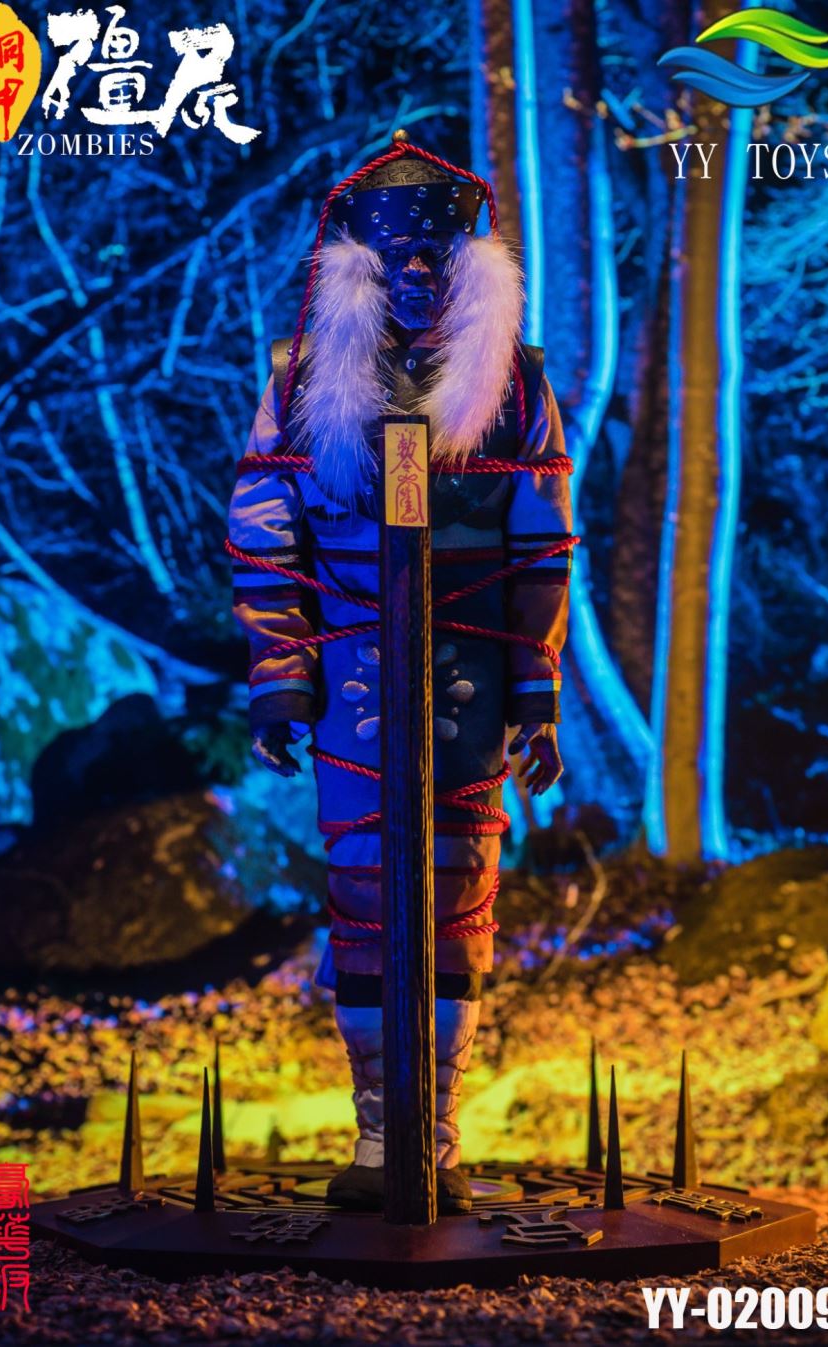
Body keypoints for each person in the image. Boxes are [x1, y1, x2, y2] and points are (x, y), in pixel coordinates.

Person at [227, 135, 574, 1213]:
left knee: (457, 897)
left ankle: (438, 1136)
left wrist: (537, 692)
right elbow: (265, 533)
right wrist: (282, 676)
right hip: (353, 683)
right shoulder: (299, 380)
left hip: (470, 678)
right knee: (368, 898)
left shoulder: (515, 382)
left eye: (437, 254)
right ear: (357, 266)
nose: (418, 273)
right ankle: (383, 1133)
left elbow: (542, 539)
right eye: (396, 256)